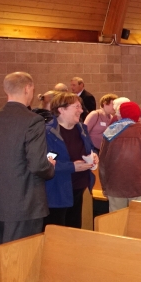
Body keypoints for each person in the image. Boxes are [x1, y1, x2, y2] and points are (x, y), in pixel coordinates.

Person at [0, 72, 55, 244]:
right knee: (23, 254)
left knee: (5, 252)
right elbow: (37, 164)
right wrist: (50, 167)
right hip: (24, 203)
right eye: (32, 90)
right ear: (27, 88)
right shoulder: (33, 120)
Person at [44, 92, 96, 228]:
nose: (81, 110)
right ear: (61, 109)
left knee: (74, 230)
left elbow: (90, 149)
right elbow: (47, 163)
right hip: (58, 191)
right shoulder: (49, 133)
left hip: (79, 187)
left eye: (81, 107)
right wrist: (72, 167)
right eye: (77, 107)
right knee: (58, 232)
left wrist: (93, 156)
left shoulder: (81, 129)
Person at [98, 102, 141, 211]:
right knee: (136, 218)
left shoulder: (110, 132)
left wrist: (104, 187)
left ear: (121, 114)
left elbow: (102, 162)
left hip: (115, 186)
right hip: (139, 185)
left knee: (116, 219)